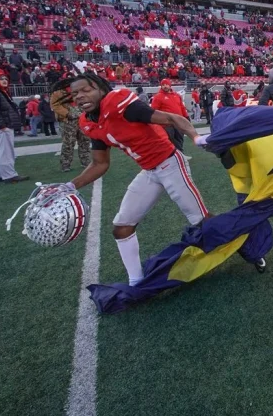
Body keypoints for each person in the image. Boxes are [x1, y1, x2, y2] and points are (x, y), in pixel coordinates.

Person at [63, 73, 209, 286]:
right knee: (122, 227)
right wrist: (69, 186)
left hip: (170, 163)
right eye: (75, 93)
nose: (80, 96)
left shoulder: (120, 104)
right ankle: (136, 282)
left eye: (86, 90)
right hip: (149, 171)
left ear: (101, 89)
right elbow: (99, 163)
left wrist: (196, 137)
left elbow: (172, 118)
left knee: (201, 221)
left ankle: (245, 244)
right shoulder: (88, 122)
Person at [51, 86, 90, 172]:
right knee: (68, 143)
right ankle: (65, 164)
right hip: (67, 121)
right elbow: (54, 105)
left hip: (82, 118)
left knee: (85, 141)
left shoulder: (80, 89)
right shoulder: (58, 93)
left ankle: (86, 162)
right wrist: (67, 114)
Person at [151, 79, 189, 150]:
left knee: (180, 139)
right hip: (167, 124)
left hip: (178, 122)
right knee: (171, 140)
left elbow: (182, 107)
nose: (165, 86)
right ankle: (179, 154)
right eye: (163, 85)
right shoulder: (158, 97)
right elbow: (154, 110)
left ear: (170, 85)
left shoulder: (177, 95)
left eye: (166, 84)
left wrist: (186, 116)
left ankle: (180, 154)